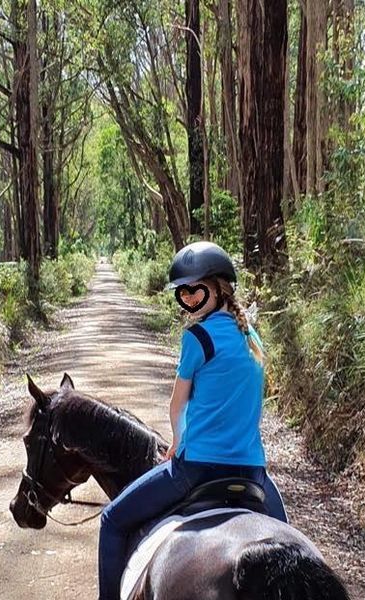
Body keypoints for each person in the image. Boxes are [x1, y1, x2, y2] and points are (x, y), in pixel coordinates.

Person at [97, 241, 289, 600]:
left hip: (197, 468)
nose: (187, 298)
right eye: (182, 293)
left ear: (218, 288)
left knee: (111, 521)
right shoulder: (253, 337)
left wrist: (175, 443)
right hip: (252, 470)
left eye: (193, 290)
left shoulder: (197, 337)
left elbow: (177, 404)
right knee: (285, 539)